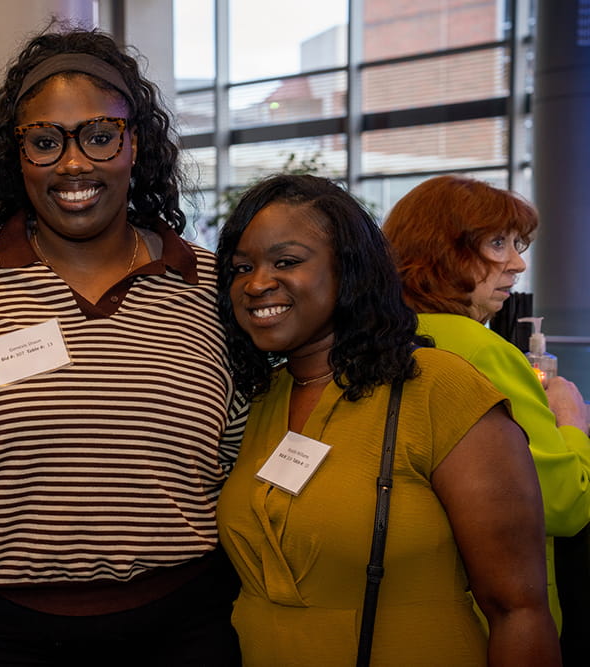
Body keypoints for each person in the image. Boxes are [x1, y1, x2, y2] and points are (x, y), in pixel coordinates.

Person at [0, 26, 246, 666]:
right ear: (15, 156)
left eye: (100, 136)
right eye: (45, 142)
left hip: (183, 628)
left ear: (137, 144)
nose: (74, 164)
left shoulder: (213, 285)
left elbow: (244, 446)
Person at [215, 173, 560, 665]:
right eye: (240, 268)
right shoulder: (261, 400)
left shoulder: (438, 389)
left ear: (349, 270)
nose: (256, 283)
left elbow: (518, 610)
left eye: (286, 261)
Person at [383, 174, 590, 630]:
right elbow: (561, 503)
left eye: (519, 244)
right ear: (439, 249)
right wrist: (574, 421)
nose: (517, 264)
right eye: (497, 243)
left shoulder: (382, 338)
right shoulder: (482, 350)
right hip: (496, 610)